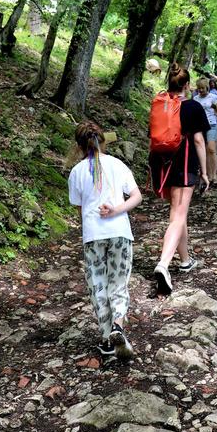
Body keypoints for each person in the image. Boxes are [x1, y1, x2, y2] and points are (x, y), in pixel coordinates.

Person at [68, 120, 142, 363]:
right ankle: (118, 327)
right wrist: (116, 210)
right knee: (118, 283)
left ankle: (106, 338)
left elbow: (80, 209)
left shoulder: (77, 171)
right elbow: (137, 196)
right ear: (103, 141)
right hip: (120, 231)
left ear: (79, 146)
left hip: (93, 235)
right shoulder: (117, 164)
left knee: (98, 285)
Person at [149, 63, 210, 295]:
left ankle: (185, 260)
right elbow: (198, 141)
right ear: (187, 85)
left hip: (163, 164)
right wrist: (204, 172)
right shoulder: (194, 107)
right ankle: (164, 264)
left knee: (177, 213)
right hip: (185, 163)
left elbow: (151, 138)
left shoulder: (159, 105)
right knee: (178, 216)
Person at [195, 76, 217, 186]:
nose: (201, 90)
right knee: (204, 151)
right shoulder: (195, 98)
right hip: (200, 126)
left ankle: (214, 175)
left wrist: (214, 106)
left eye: (202, 88)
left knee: (211, 149)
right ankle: (206, 175)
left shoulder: (214, 97)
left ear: (207, 87)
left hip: (211, 124)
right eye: (199, 88)